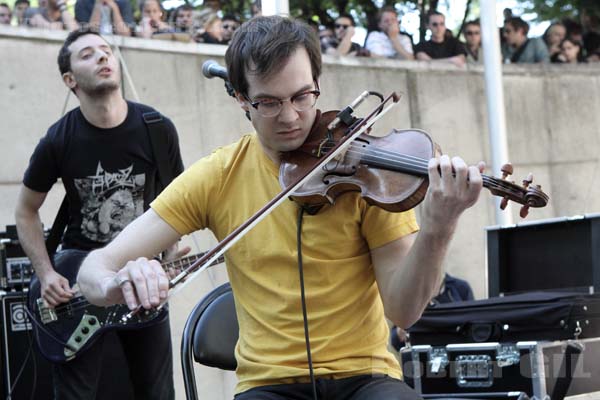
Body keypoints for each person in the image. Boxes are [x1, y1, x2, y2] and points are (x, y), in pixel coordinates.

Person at [77, 15, 484, 399]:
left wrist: (437, 230)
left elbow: (405, 310)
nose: (291, 117)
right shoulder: (218, 176)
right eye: (269, 103)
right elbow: (93, 272)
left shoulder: (366, 170)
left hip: (365, 376)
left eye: (303, 96)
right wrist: (120, 283)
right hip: (268, 383)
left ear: (316, 83)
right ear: (241, 99)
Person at [14, 28, 185, 399]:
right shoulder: (59, 140)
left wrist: (171, 250)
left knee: (158, 393)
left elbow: (180, 203)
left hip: (141, 281)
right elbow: (26, 211)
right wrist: (45, 274)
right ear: (70, 79)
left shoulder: (157, 129)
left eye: (106, 50)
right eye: (88, 54)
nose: (103, 57)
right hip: (79, 284)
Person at [390, 273, 475, 350]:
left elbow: (473, 330)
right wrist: (402, 330)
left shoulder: (461, 288)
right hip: (420, 358)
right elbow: (396, 341)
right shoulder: (410, 290)